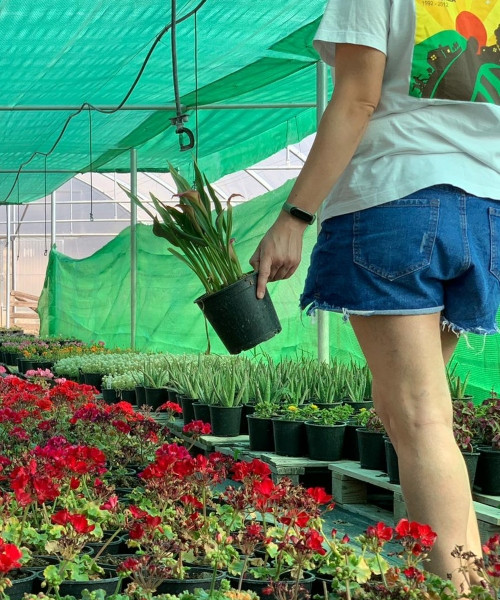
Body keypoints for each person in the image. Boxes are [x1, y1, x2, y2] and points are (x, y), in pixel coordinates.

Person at [251, 0, 500, 590]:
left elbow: (359, 98)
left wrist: (294, 216)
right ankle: (465, 583)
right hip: (486, 212)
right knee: (416, 417)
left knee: (417, 419)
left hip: (398, 199)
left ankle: (453, 591)